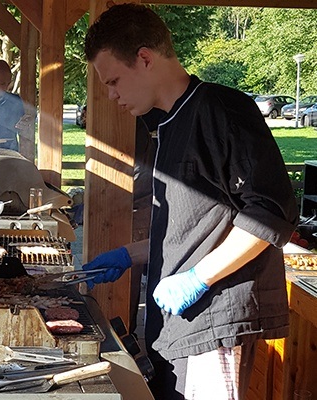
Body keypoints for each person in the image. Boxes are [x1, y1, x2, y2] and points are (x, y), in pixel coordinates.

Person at [82, 4, 298, 400]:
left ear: (144, 58)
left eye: (113, 81)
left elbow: (271, 214)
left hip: (213, 324)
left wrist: (199, 278)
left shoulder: (221, 111)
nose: (111, 95)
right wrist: (129, 255)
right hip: (177, 325)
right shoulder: (165, 122)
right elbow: (199, 227)